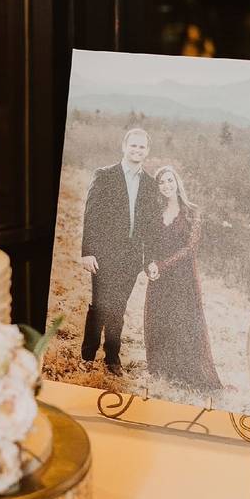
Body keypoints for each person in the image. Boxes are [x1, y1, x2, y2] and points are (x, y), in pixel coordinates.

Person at [78, 127, 158, 374]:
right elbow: (91, 215)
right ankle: (88, 356)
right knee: (99, 304)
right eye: (133, 145)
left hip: (131, 257)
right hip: (103, 253)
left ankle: (112, 358)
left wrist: (149, 259)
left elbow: (150, 225)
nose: (137, 150)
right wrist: (88, 251)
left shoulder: (150, 184)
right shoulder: (105, 175)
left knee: (118, 307)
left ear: (147, 151)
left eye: (142, 147)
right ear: (124, 147)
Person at [143, 166, 222, 390]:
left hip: (182, 277)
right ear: (158, 187)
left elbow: (190, 248)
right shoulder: (155, 211)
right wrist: (149, 264)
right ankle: (161, 371)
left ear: (177, 182)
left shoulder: (191, 211)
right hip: (158, 276)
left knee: (182, 322)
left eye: (170, 180)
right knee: (159, 319)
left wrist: (162, 265)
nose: (166, 185)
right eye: (161, 182)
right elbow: (149, 242)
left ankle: (185, 373)